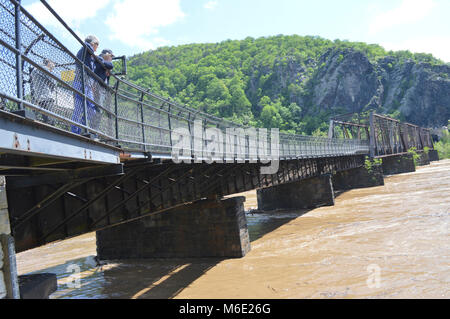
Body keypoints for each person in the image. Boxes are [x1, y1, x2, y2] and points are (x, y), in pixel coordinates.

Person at [71, 35, 100, 135]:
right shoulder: (85, 48)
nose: (97, 48)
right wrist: (91, 44)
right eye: (97, 44)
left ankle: (83, 127)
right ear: (93, 43)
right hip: (80, 83)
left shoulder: (89, 53)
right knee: (78, 108)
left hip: (87, 85)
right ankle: (75, 131)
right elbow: (86, 44)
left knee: (92, 109)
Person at [30, 58, 57, 124]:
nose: (54, 66)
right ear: (49, 63)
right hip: (47, 97)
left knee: (46, 119)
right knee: (51, 121)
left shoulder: (35, 69)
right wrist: (50, 70)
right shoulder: (44, 68)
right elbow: (54, 83)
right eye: (53, 64)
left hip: (39, 98)